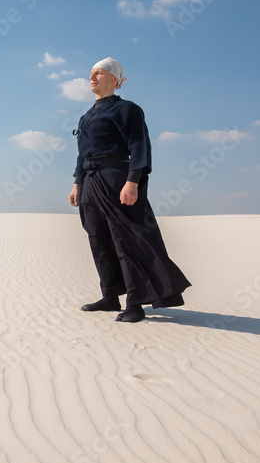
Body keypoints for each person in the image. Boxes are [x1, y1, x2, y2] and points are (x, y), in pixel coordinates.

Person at [68, 57, 192, 322]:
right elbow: (82, 153)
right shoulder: (86, 116)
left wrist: (132, 181)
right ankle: (110, 295)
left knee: (126, 239)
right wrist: (77, 182)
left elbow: (139, 146)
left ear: (115, 79)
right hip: (90, 181)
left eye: (99, 73)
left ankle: (135, 302)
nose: (92, 76)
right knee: (98, 239)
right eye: (91, 73)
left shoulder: (127, 109)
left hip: (116, 178)